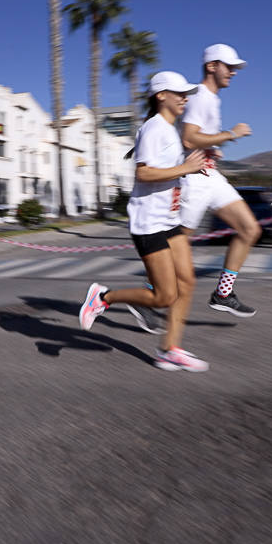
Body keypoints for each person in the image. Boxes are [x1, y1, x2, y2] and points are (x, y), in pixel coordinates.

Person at [77, 72, 210, 372]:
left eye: (187, 93)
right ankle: (103, 297)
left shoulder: (168, 130)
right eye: (179, 93)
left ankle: (170, 349)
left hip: (169, 220)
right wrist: (185, 167)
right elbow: (144, 173)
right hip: (149, 223)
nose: (185, 98)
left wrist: (190, 168)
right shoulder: (153, 128)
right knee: (165, 295)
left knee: (187, 281)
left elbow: (169, 170)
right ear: (161, 95)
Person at [179, 43, 260, 317]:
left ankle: (223, 294)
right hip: (194, 179)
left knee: (250, 230)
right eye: (229, 66)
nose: (234, 72)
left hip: (211, 175)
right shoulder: (200, 96)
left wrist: (213, 147)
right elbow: (189, 137)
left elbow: (197, 138)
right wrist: (230, 134)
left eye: (236, 68)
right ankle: (149, 293)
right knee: (176, 244)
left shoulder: (212, 98)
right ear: (211, 66)